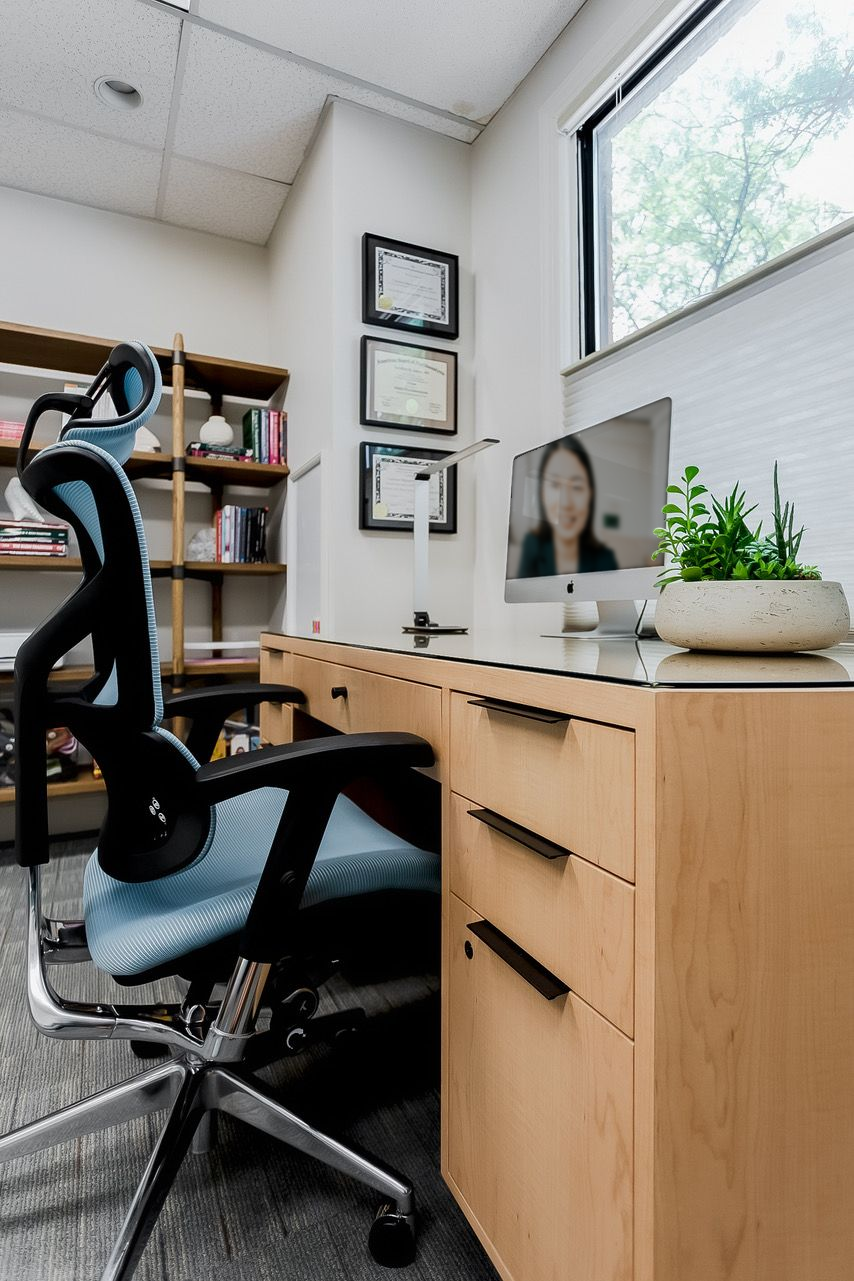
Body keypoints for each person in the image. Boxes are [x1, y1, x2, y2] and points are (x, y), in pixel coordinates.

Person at [518, 436, 618, 577]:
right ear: (542, 494)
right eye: (554, 485)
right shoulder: (533, 546)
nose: (565, 503)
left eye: (576, 487)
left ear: (590, 494)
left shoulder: (604, 559)